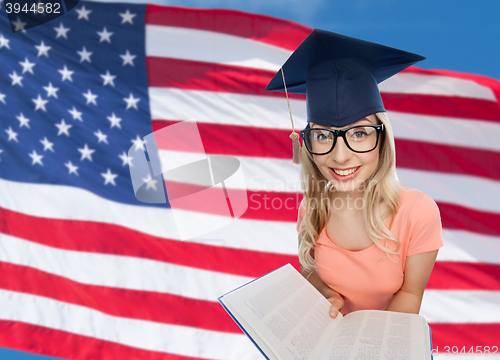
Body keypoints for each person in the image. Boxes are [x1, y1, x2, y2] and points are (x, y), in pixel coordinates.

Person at [266, 29, 444, 319]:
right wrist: (325, 294)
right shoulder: (312, 208)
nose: (339, 155)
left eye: (359, 133)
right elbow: (310, 272)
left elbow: (411, 295)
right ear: (307, 142)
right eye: (323, 136)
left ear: (383, 137)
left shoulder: (417, 212)